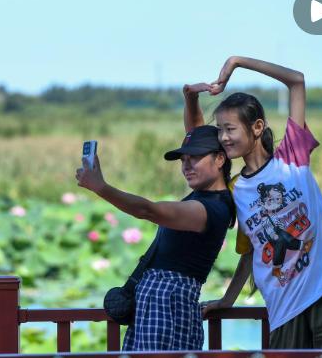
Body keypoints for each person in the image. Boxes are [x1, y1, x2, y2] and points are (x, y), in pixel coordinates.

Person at [184, 56, 322, 349]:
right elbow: (249, 254)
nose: (224, 137)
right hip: (283, 308)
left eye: (230, 129)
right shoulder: (235, 188)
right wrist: (228, 299)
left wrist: (237, 62)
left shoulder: (292, 156)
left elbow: (297, 81)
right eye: (220, 129)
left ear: (256, 127)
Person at [76, 125, 235, 351]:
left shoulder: (211, 208)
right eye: (183, 159)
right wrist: (190, 98)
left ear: (220, 159)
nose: (186, 165)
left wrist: (101, 188)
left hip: (167, 303)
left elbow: (149, 211)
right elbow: (196, 127)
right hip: (156, 303)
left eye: (195, 157)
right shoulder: (202, 194)